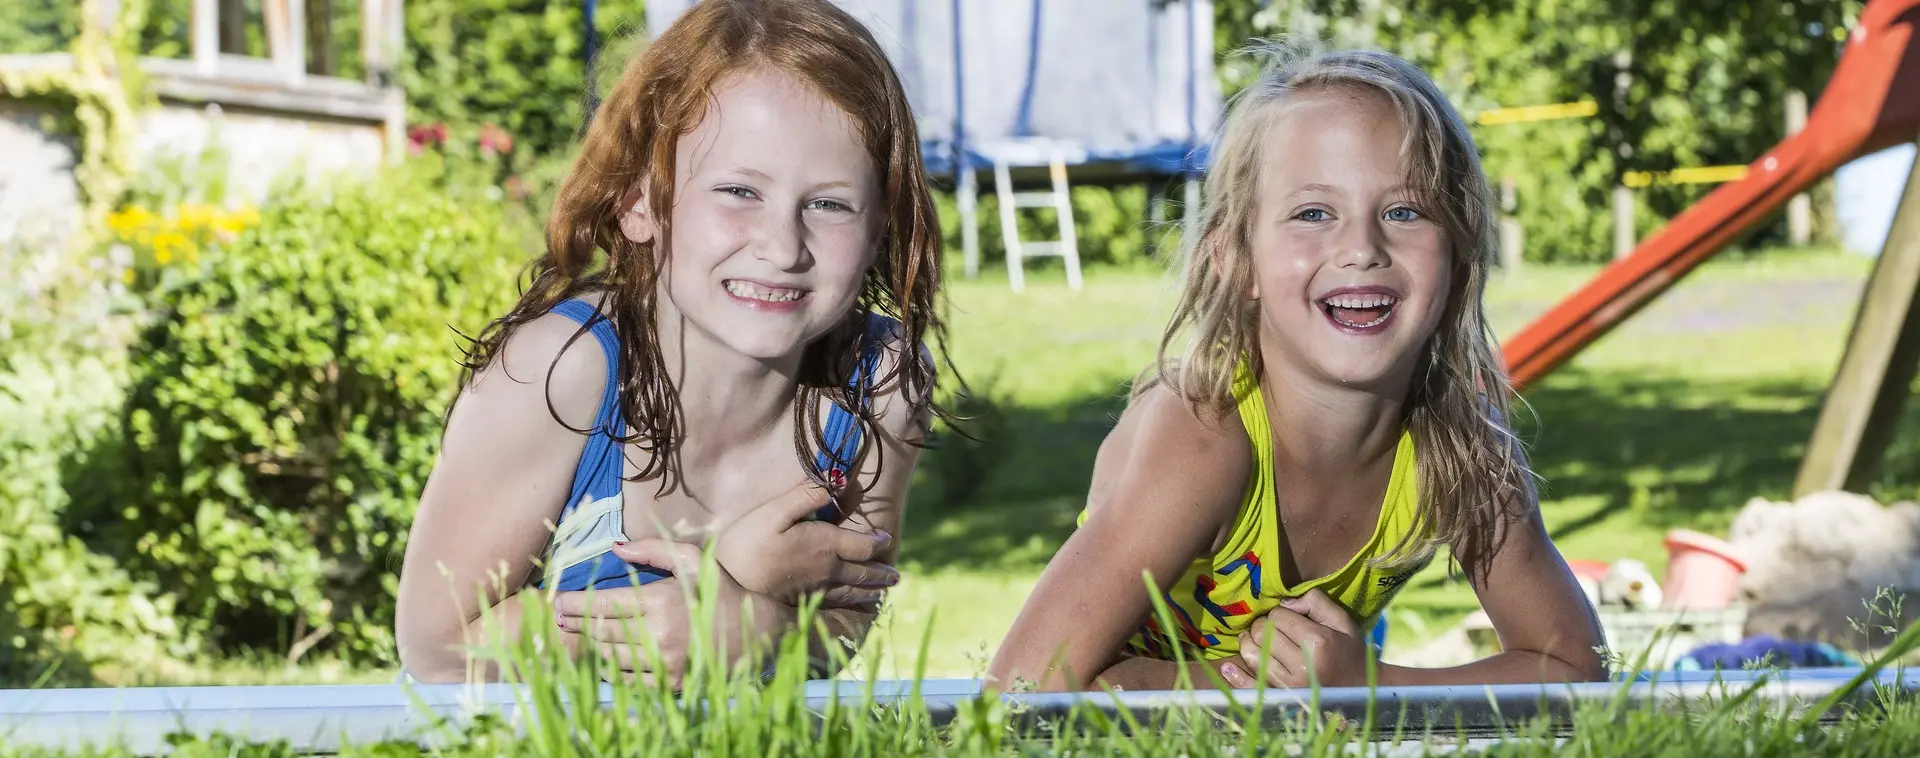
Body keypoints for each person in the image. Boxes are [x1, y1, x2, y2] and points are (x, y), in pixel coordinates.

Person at [987, 43, 1606, 692]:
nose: (1361, 249)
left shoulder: (1457, 446)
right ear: (1235, 259)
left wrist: (1365, 683)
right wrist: (1266, 692)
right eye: (1314, 213)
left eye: (1404, 211)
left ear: (1458, 253)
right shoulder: (1206, 434)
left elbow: (1573, 666)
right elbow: (1021, 685)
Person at [395, 0, 947, 687]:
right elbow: (440, 648)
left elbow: (842, 623)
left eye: (830, 204)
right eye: (739, 190)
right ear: (639, 202)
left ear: (879, 230)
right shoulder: (559, 372)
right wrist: (728, 583)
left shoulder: (881, 385)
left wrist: (759, 629)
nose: (782, 246)